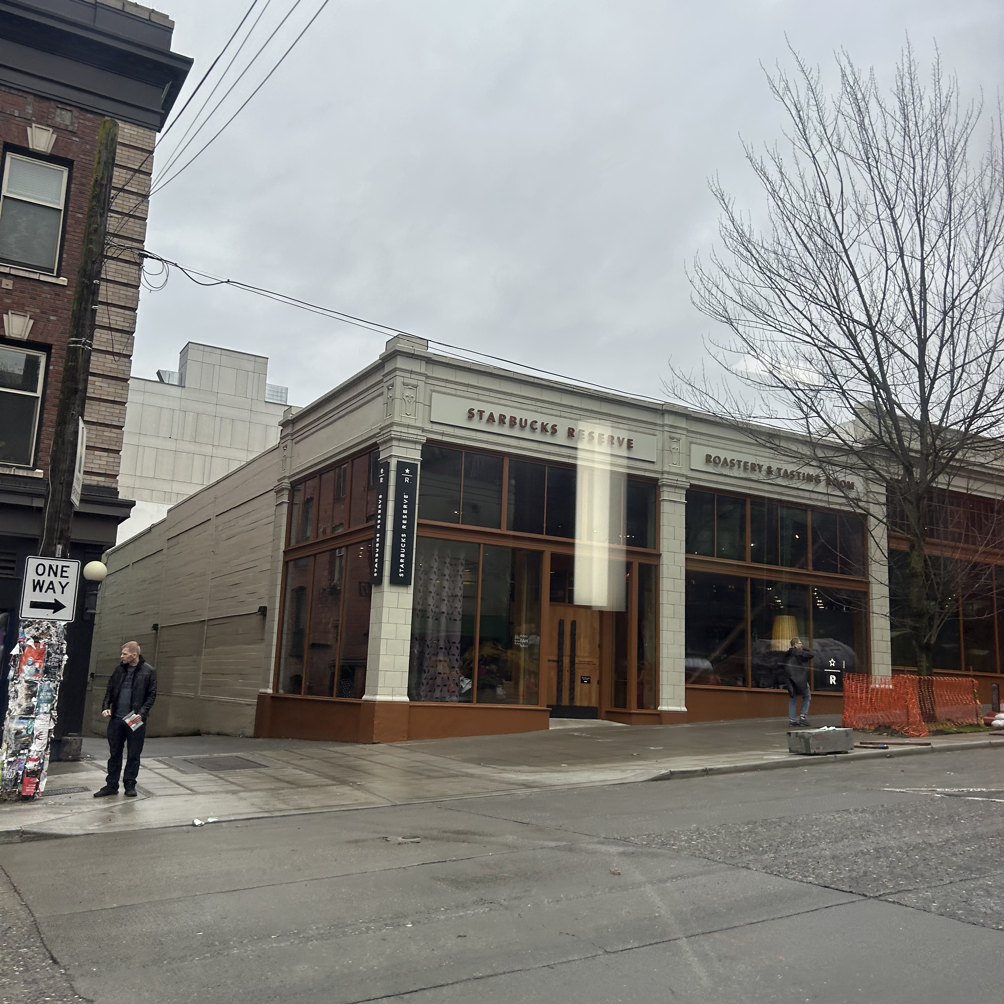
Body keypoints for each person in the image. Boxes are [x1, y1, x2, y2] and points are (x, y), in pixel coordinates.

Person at [93, 641, 157, 798]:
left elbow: (151, 695)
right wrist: (105, 706)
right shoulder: (119, 670)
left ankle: (130, 784)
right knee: (115, 752)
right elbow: (110, 690)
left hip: (134, 717)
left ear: (134, 655)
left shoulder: (148, 671)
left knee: (134, 753)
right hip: (117, 717)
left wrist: (142, 713)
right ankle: (111, 785)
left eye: (125, 654)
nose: (122, 656)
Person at [783, 637, 815, 727]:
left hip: (791, 680)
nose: (801, 645)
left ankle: (792, 720)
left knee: (793, 699)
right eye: (800, 643)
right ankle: (803, 717)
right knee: (807, 697)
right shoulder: (799, 653)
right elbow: (811, 654)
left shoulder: (788, 654)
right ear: (796, 645)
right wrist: (804, 648)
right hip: (800, 680)